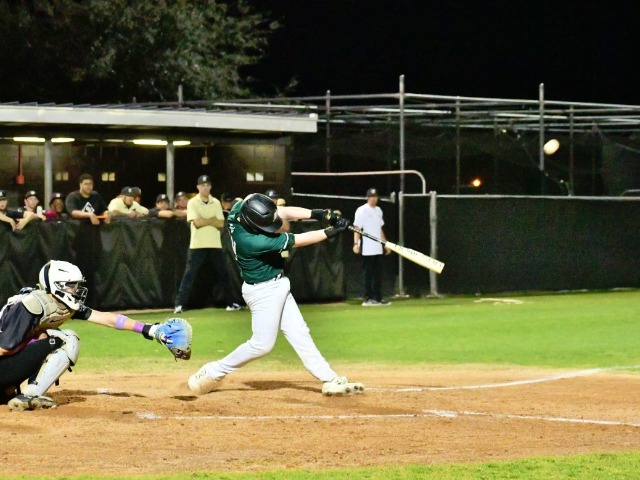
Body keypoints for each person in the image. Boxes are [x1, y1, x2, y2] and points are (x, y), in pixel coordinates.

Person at [187, 193, 365, 397]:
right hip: (263, 291)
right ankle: (212, 371)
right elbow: (300, 239)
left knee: (300, 333)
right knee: (261, 345)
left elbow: (284, 211)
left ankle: (330, 379)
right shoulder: (253, 242)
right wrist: (332, 230)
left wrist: (320, 214)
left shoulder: (240, 210)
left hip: (278, 284)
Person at [0, 260, 172, 411]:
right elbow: (4, 348)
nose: (76, 290)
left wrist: (149, 329)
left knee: (47, 336)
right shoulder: (31, 305)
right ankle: (30, 395)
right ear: (56, 285)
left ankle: (9, 392)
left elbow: (107, 319)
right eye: (71, 285)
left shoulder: (58, 304)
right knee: (65, 338)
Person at [174, 175, 242, 313]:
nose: (205, 188)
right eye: (203, 185)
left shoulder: (215, 202)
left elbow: (220, 223)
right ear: (198, 187)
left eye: (207, 185)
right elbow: (197, 223)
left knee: (224, 274)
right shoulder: (193, 202)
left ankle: (231, 303)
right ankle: (179, 304)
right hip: (197, 245)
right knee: (189, 275)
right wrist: (211, 220)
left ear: (210, 187)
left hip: (215, 244)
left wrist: (205, 220)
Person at [353, 188, 391, 306]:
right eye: (371, 197)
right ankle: (368, 299)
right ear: (367, 198)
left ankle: (378, 298)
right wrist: (356, 244)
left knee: (378, 275)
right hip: (367, 249)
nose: (374, 199)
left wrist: (386, 244)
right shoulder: (361, 210)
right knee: (368, 275)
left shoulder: (379, 210)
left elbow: (380, 229)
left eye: (375, 197)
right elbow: (357, 228)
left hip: (378, 248)